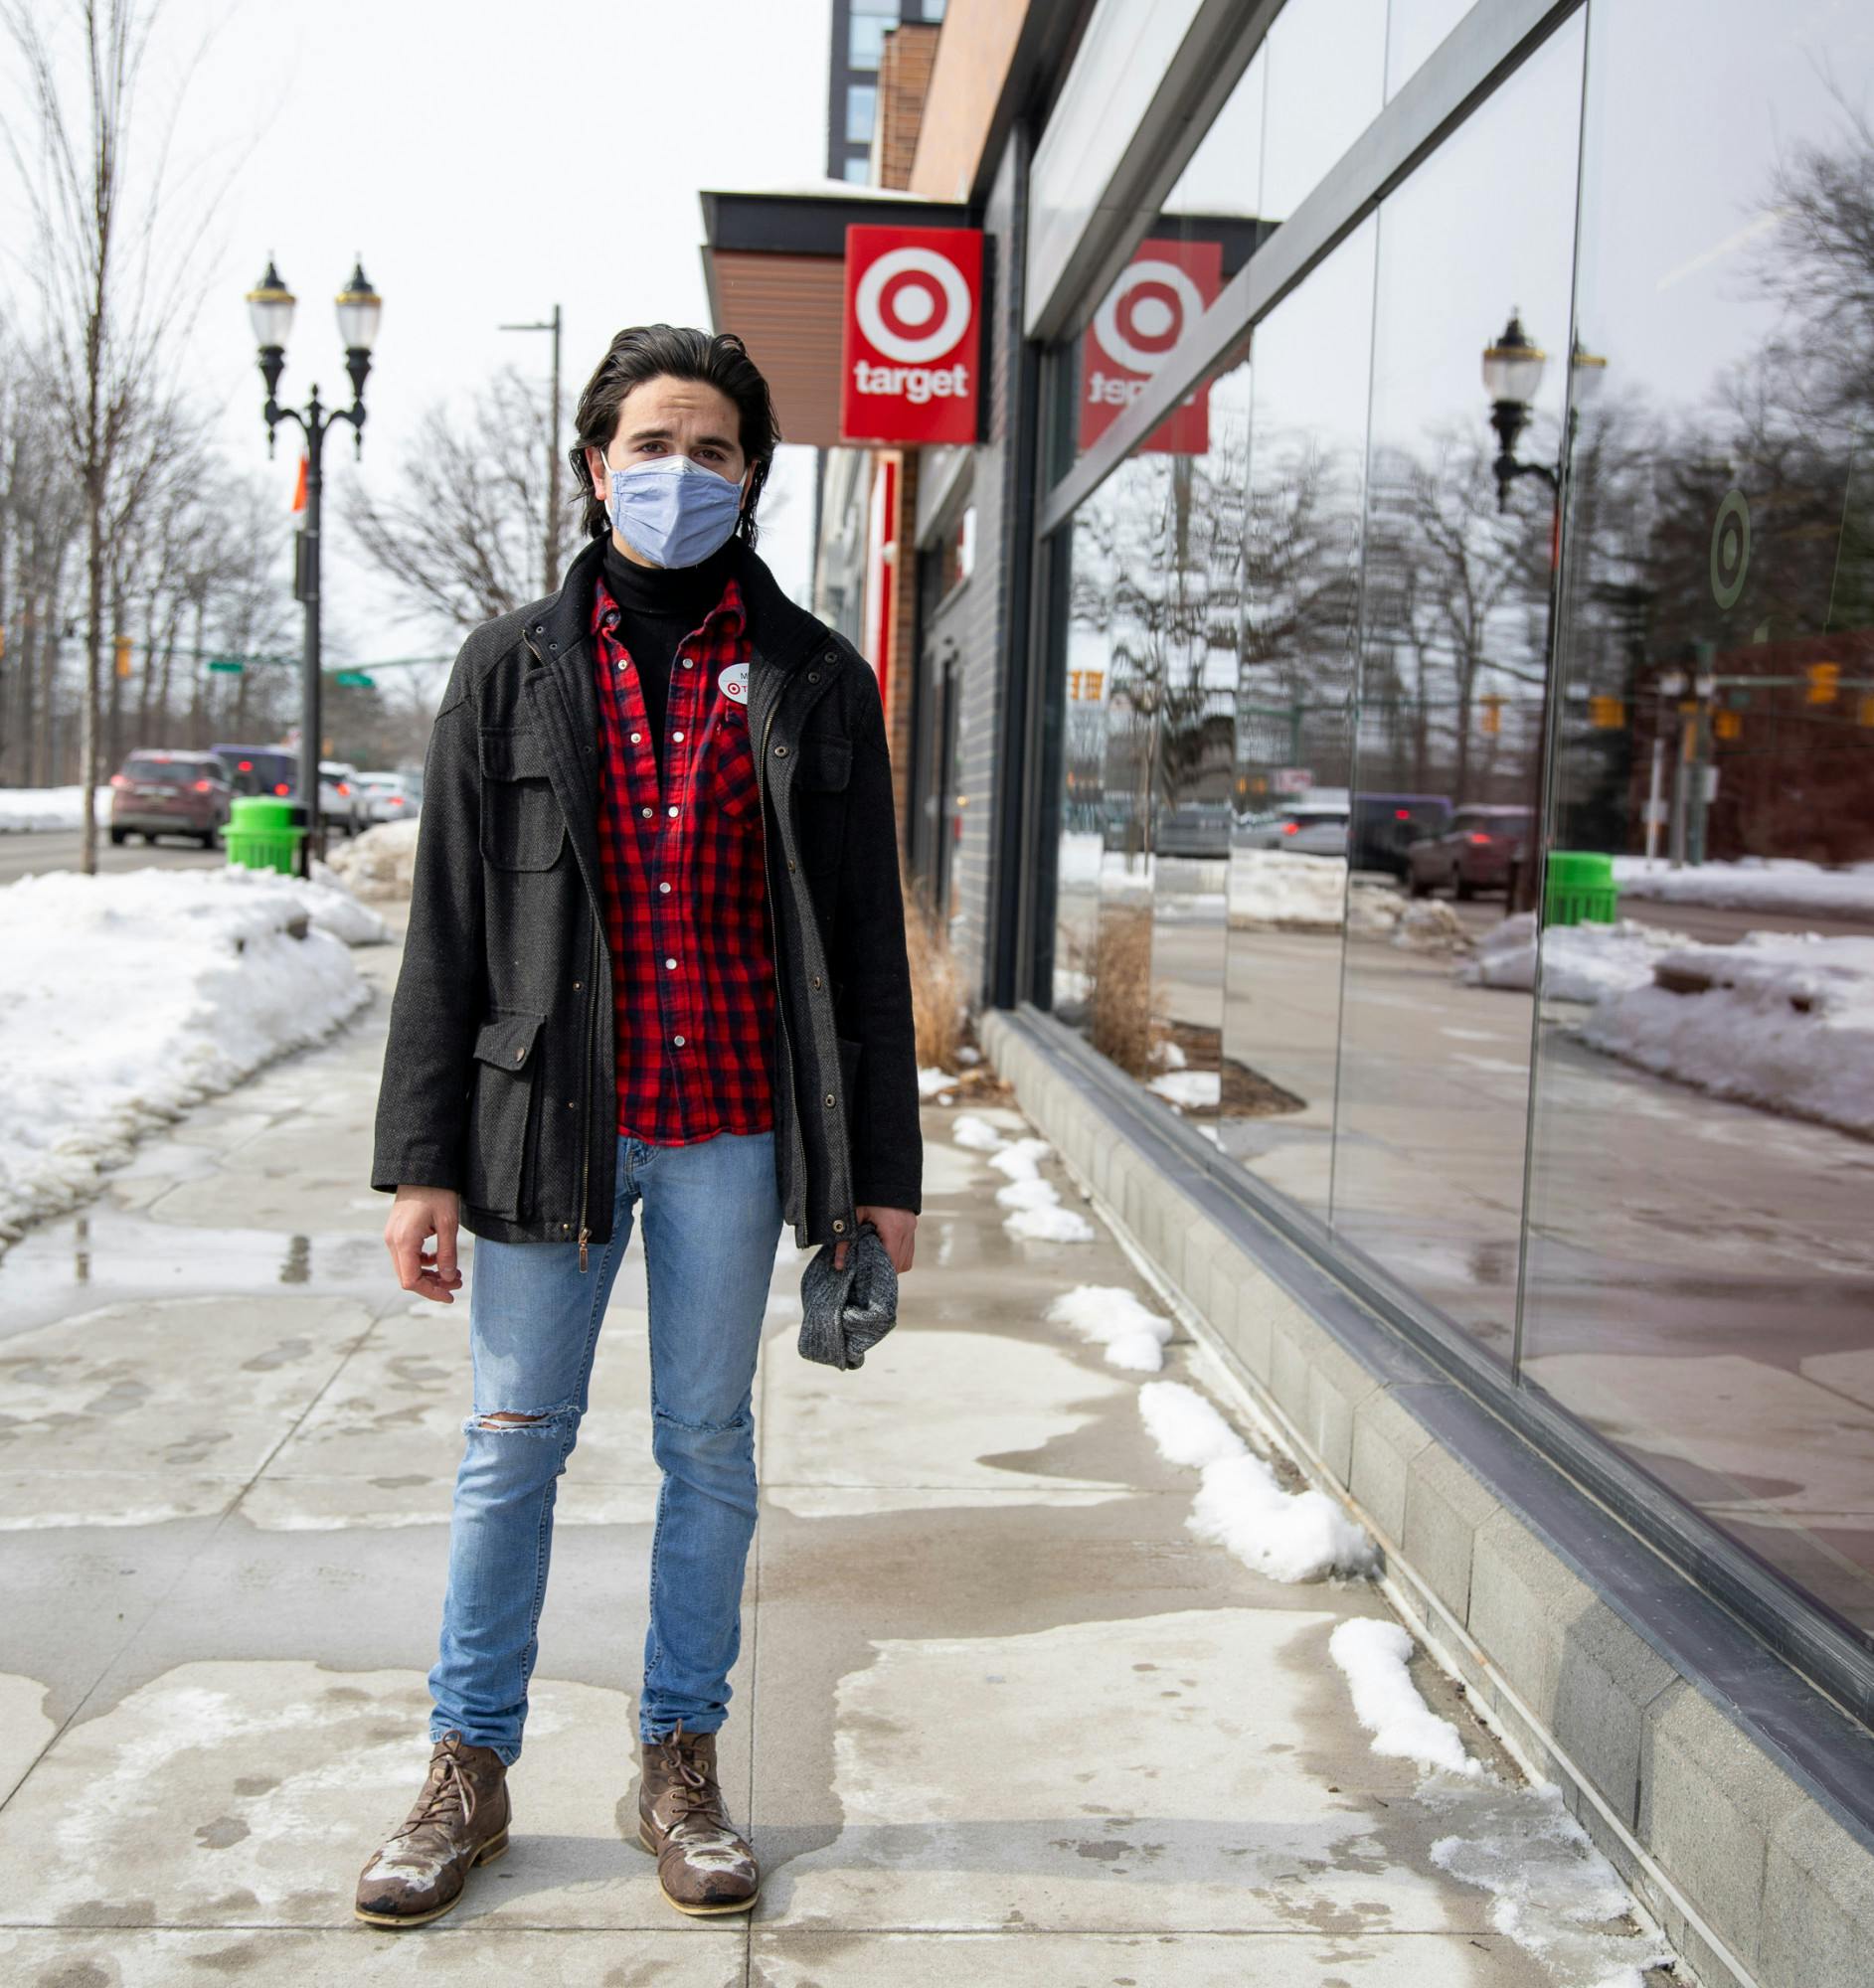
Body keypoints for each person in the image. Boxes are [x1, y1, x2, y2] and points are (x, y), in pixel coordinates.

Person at [358, 325, 922, 1928]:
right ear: (596, 462)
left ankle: (680, 1757)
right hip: (547, 1132)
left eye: (718, 449)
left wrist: (881, 1178)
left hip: (735, 1134)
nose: (683, 473)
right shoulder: (508, 669)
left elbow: (866, 952)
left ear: (752, 476)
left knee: (707, 1450)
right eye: (652, 443)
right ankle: (465, 1769)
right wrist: (422, 1165)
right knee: (512, 1448)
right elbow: (447, 936)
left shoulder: (814, 676)